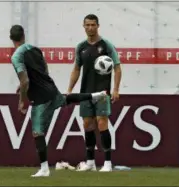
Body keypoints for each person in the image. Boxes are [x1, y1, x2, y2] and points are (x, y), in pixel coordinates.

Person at [10, 24, 107, 177]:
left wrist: (22, 101)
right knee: (65, 100)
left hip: (40, 97)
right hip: (51, 89)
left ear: (11, 39)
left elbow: (25, 81)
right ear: (23, 36)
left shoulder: (16, 57)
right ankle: (96, 95)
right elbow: (43, 69)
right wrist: (41, 83)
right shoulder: (35, 49)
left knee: (37, 132)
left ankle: (44, 169)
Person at [67, 14, 122, 172]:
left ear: (98, 26)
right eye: (87, 25)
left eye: (93, 25)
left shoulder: (106, 45)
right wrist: (70, 90)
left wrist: (116, 89)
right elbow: (77, 69)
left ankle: (107, 163)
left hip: (103, 92)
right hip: (85, 92)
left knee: (102, 122)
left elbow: (117, 67)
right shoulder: (81, 47)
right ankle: (90, 162)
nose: (90, 28)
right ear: (83, 26)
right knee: (87, 124)